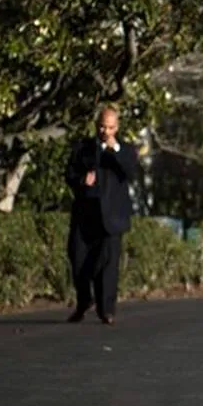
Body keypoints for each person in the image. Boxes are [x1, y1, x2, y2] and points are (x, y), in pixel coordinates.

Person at [64, 106, 140, 324]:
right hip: (85, 216)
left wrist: (114, 149)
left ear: (117, 127)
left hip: (112, 217)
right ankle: (84, 301)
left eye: (110, 127)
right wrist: (82, 180)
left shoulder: (125, 150)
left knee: (107, 266)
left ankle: (106, 310)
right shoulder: (83, 148)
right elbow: (69, 174)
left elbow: (131, 172)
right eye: (101, 127)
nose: (105, 131)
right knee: (78, 259)